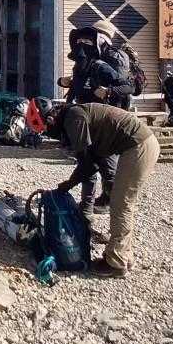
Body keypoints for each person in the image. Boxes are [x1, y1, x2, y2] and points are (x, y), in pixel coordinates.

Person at [50, 102, 161, 274]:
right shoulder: (78, 113)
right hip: (139, 144)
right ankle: (125, 256)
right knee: (122, 202)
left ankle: (116, 262)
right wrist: (70, 184)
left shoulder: (74, 117)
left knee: (121, 203)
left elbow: (86, 164)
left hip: (138, 145)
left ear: (52, 119)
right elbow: (93, 162)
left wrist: (67, 185)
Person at [56, 24, 131, 211]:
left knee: (107, 165)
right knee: (87, 163)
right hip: (86, 122)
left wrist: (108, 91)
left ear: (99, 41)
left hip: (106, 123)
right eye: (80, 40)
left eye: (87, 40)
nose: (82, 43)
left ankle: (115, 205)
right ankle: (87, 207)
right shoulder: (82, 65)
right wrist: (63, 82)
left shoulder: (102, 65)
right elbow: (78, 87)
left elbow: (129, 87)